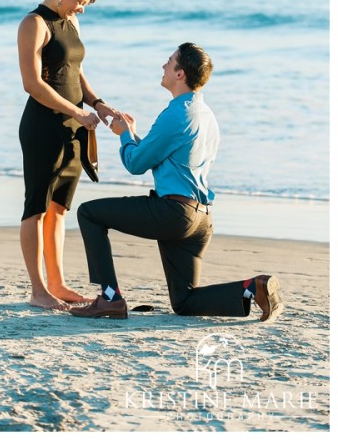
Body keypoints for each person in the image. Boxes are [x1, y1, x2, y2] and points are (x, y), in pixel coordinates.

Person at [70, 43, 283, 322]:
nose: (164, 66)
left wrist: (123, 135)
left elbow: (135, 164)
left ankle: (110, 297)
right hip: (201, 219)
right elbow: (161, 156)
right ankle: (252, 287)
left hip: (174, 214)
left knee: (88, 213)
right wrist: (131, 133)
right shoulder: (205, 115)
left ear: (180, 74)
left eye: (169, 62)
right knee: (184, 302)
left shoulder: (176, 113)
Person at [17, 0, 121, 311]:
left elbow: (76, 72)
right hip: (43, 127)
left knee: (59, 208)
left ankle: (57, 283)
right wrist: (78, 111)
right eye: (81, 0)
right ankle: (38, 289)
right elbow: (32, 84)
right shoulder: (34, 23)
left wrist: (99, 104)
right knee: (36, 208)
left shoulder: (70, 20)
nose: (82, 8)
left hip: (75, 128)